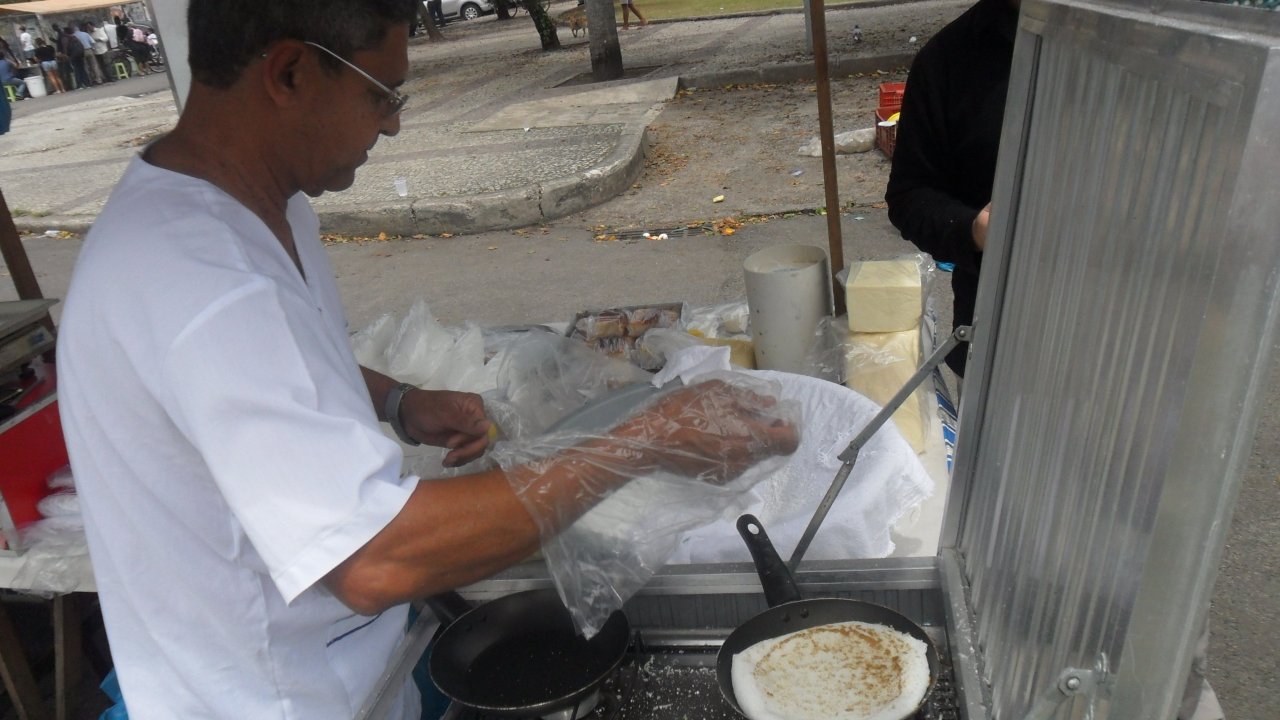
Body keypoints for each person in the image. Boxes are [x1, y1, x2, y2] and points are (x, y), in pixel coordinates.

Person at [55, 1, 797, 717]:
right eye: (383, 93)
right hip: (267, 699)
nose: (396, 123)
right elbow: (376, 562)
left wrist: (396, 401)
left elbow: (283, 366)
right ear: (289, 74)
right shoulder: (198, 281)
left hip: (348, 677)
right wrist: (647, 439)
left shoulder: (266, 207)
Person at [884, 0, 1016, 379]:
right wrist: (974, 228)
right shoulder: (947, 58)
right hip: (997, 330)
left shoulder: (1149, 40)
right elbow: (910, 195)